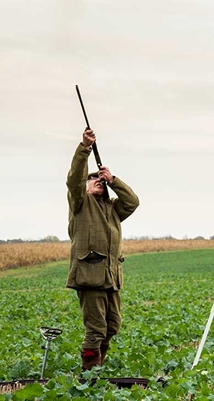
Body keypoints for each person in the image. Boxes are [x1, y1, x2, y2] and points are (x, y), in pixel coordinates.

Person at [66, 128, 139, 371]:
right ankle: (89, 377)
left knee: (112, 326)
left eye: (100, 179)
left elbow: (133, 202)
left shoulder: (112, 209)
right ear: (85, 187)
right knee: (95, 329)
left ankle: (98, 367)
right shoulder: (80, 204)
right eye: (93, 179)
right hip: (90, 277)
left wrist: (113, 180)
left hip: (110, 278)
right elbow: (74, 179)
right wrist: (84, 148)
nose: (97, 180)